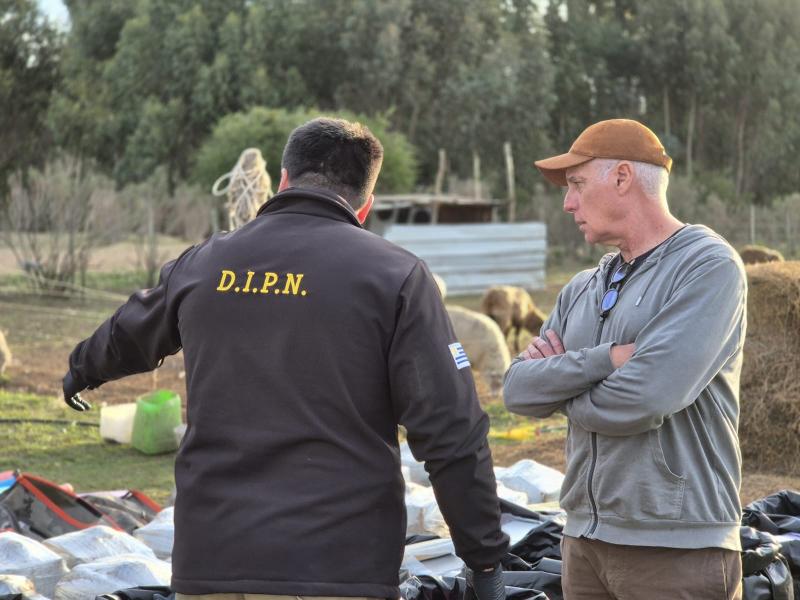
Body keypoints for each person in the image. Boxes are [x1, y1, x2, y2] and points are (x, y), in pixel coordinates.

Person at [63, 118, 509, 600]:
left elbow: (130, 330)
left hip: (211, 564)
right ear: (366, 204)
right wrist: (484, 559)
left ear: (281, 180)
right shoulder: (396, 276)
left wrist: (82, 369)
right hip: (336, 569)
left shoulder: (205, 262)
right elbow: (450, 430)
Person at [504, 119, 747, 599]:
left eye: (576, 184)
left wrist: (563, 391)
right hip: (583, 542)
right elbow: (517, 390)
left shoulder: (707, 267)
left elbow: (644, 398)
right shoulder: (581, 288)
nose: (567, 202)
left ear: (621, 178)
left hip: (676, 551)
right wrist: (607, 360)